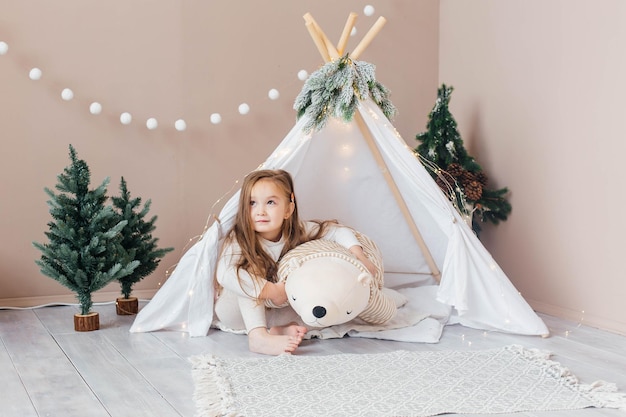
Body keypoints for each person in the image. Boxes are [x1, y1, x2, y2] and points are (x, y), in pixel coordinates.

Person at [214, 169, 377, 356]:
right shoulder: (240, 238)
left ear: (288, 209)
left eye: (270, 202)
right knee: (248, 269)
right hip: (236, 312)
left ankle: (280, 329)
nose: (260, 211)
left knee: (325, 310)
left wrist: (359, 255)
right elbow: (224, 273)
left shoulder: (298, 231)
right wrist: (271, 290)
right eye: (252, 203)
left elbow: (336, 231)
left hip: (276, 312)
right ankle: (258, 337)